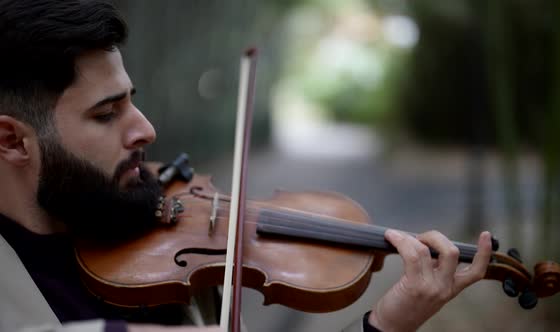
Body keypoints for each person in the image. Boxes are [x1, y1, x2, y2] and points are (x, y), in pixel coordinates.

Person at [0, 1, 493, 331]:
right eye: (106, 114)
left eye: (134, 102)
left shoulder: (145, 231)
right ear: (11, 140)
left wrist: (385, 324)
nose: (145, 130)